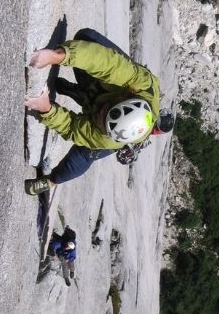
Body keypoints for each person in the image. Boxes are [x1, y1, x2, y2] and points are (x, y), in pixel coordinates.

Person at [24, 28, 174, 195]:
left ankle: (51, 181)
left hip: (105, 111)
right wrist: (59, 56)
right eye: (104, 111)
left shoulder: (109, 140)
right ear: (125, 96)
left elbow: (73, 128)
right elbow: (106, 63)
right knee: (85, 37)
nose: (99, 115)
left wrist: (47, 110)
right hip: (106, 89)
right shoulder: (139, 83)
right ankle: (82, 92)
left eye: (103, 120)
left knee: (86, 152)